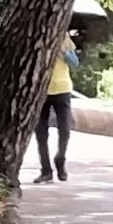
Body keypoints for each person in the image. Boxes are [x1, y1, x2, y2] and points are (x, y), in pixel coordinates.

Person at [32, 38, 80, 181]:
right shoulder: (40, 38)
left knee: (64, 130)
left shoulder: (66, 41)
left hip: (62, 90)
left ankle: (60, 160)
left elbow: (75, 63)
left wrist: (64, 53)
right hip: (42, 91)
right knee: (41, 132)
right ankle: (46, 170)